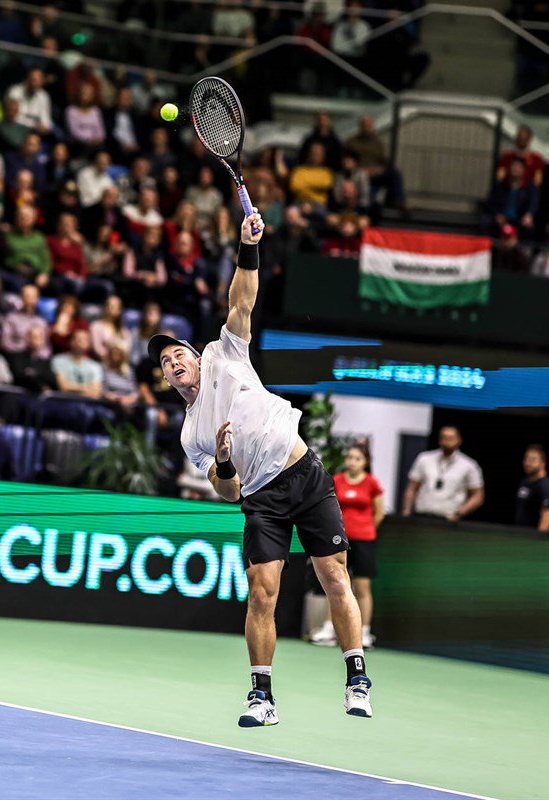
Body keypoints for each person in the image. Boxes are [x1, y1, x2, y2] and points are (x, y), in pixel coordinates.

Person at [147, 211, 371, 724]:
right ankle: (261, 696)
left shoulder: (225, 353)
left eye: (178, 353)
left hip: (304, 476)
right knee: (260, 592)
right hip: (261, 500)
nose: (174, 361)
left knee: (335, 576)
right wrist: (224, 461)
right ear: (165, 380)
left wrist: (248, 247)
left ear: (196, 357)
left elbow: (241, 300)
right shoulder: (191, 433)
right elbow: (227, 493)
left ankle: (357, 679)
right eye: (164, 363)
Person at [313, 443, 384, 649]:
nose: (352, 462)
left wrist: (366, 529)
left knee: (362, 588)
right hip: (338, 541)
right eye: (350, 457)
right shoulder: (336, 480)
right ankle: (328, 629)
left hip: (364, 540)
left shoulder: (372, 483)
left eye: (357, 458)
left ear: (365, 462)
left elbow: (379, 513)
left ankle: (364, 633)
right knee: (335, 584)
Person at [402, 426, 485, 522]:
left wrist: (460, 513)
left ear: (459, 440)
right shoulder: (424, 459)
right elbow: (412, 487)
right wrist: (406, 511)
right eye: (443, 437)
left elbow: (478, 495)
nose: (446, 441)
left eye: (450, 438)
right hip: (422, 515)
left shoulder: (468, 465)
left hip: (448, 519)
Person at [51, 328, 103, 399]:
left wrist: (74, 388)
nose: (80, 342)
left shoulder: (95, 366)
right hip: (66, 401)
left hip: (89, 404)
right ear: (71, 341)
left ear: (88, 344)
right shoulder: (59, 360)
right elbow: (63, 387)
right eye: (78, 339)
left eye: (84, 339)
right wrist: (85, 388)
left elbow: (96, 392)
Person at [515, 445, 549, 532]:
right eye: (526, 459)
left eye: (533, 460)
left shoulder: (546, 486)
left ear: (543, 463)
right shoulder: (524, 481)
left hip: (533, 541)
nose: (527, 463)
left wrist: (538, 541)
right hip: (520, 536)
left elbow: (547, 517)